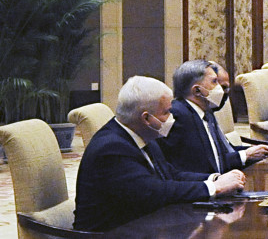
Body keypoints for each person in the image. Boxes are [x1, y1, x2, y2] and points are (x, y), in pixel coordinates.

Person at [74, 76, 246, 232]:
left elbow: (171, 174)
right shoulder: (112, 148)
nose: (172, 117)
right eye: (166, 112)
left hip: (143, 227)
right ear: (146, 118)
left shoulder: (143, 134)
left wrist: (213, 179)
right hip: (111, 234)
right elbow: (154, 191)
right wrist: (213, 188)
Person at [158, 60, 268, 174]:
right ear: (197, 90)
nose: (220, 90)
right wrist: (245, 155)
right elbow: (202, 164)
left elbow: (219, 154)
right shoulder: (178, 116)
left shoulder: (205, 112)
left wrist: (259, 151)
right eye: (214, 82)